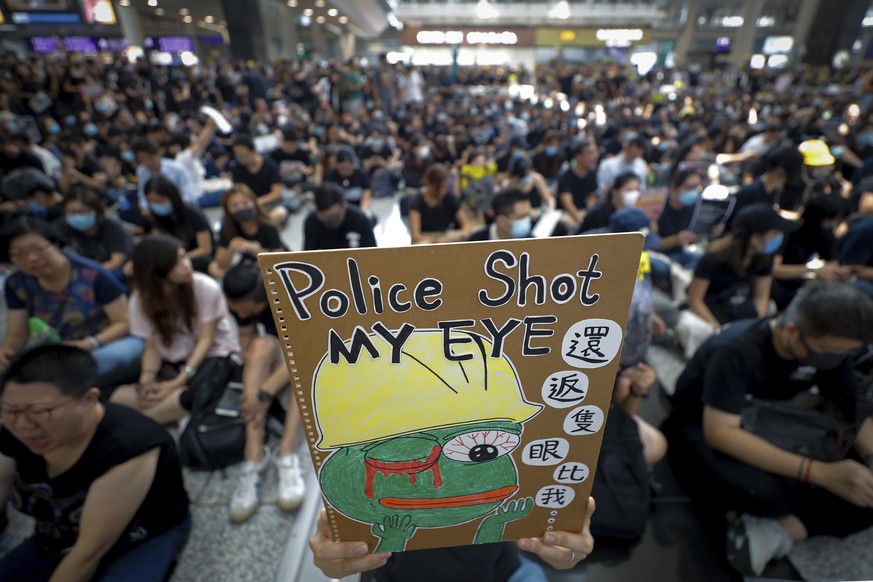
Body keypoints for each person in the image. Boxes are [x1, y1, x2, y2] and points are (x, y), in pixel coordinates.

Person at [665, 281, 873, 576]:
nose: (838, 358)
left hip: (766, 420)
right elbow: (721, 432)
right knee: (769, 495)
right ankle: (777, 519)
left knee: (863, 491)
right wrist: (818, 472)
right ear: (791, 332)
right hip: (702, 422)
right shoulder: (738, 349)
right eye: (833, 351)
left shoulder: (828, 353)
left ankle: (784, 530)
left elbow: (853, 411)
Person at [0, 345, 191, 581]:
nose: (23, 425)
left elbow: (88, 554)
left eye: (40, 411)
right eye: (9, 411)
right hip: (58, 533)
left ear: (89, 399)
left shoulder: (129, 448)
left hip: (137, 538)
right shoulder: (13, 430)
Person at [0, 216, 143, 391]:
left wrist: (89, 344)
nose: (31, 258)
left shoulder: (92, 274)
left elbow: (124, 322)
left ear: (56, 244)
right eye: (19, 254)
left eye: (37, 249)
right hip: (61, 352)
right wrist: (7, 352)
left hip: (105, 342)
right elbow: (17, 334)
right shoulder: (16, 283)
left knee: (103, 361)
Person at [110, 236, 240, 424]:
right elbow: (152, 346)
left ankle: (148, 422)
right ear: (157, 272)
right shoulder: (139, 301)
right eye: (176, 263)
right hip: (173, 361)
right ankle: (165, 411)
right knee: (118, 396)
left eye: (184, 257)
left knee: (192, 394)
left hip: (213, 356)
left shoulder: (204, 286)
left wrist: (178, 381)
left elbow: (206, 339)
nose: (186, 265)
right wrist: (147, 382)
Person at [222, 258, 306, 523]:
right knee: (258, 347)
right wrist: (255, 373)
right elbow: (246, 339)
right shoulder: (239, 300)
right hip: (277, 347)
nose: (239, 313)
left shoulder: (290, 294)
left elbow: (304, 351)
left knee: (303, 373)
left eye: (246, 310)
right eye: (235, 309)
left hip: (306, 349)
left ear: (263, 300)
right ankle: (254, 454)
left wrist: (265, 392)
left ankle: (287, 452)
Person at [686, 203, 799, 330]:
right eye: (775, 233)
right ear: (755, 238)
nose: (779, 237)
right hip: (709, 315)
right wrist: (719, 331)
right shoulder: (713, 258)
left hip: (738, 313)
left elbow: (761, 298)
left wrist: (748, 328)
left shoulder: (764, 259)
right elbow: (695, 300)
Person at [208, 183, 288, 280]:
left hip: (270, 266)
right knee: (214, 269)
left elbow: (279, 260)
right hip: (248, 265)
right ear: (228, 209)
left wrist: (255, 250)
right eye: (235, 205)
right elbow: (221, 264)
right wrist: (231, 249)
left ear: (254, 202)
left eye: (245, 203)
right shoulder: (227, 228)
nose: (241, 208)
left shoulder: (268, 226)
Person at [55, 185, 133, 282]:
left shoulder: (113, 228)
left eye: (82, 212)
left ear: (95, 211)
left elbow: (116, 262)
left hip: (110, 271)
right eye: (71, 213)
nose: (77, 217)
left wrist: (87, 275)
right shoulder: (63, 226)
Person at [143, 175, 214, 274]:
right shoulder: (156, 217)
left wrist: (180, 259)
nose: (156, 205)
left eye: (160, 201)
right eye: (152, 202)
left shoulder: (193, 214)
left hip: (194, 258)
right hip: (172, 260)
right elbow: (158, 243)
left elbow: (205, 249)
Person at [231, 134, 289, 225]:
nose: (241, 160)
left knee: (280, 213)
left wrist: (257, 202)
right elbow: (237, 191)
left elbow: (277, 193)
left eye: (244, 156)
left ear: (253, 151)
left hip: (269, 203)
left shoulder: (270, 166)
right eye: (238, 157)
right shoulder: (237, 169)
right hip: (247, 205)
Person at [408, 163, 469, 244]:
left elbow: (465, 223)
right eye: (440, 187)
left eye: (445, 187)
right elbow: (416, 236)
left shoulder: (448, 197)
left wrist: (463, 234)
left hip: (444, 235)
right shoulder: (417, 201)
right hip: (426, 238)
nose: (442, 191)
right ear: (430, 184)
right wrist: (437, 241)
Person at [304, 183, 377, 250]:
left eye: (335, 216)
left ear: (344, 206)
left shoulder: (359, 219)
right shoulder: (312, 222)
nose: (331, 222)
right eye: (325, 218)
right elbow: (309, 256)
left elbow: (372, 253)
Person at [655, 169, 704, 269]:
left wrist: (706, 233)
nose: (693, 192)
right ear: (673, 188)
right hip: (658, 255)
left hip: (680, 252)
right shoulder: (658, 208)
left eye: (696, 188)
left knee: (703, 261)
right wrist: (677, 239)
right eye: (689, 188)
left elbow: (694, 239)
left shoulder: (693, 207)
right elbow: (652, 244)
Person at [578, 172, 642, 234]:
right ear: (615, 192)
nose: (634, 194)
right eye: (629, 190)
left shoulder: (639, 214)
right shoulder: (598, 214)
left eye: (637, 189)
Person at [556, 139, 599, 227]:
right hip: (566, 215)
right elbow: (567, 204)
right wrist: (581, 221)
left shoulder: (592, 175)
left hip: (583, 212)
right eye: (590, 153)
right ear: (579, 157)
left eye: (595, 152)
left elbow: (592, 198)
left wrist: (589, 216)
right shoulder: (566, 177)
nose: (594, 157)